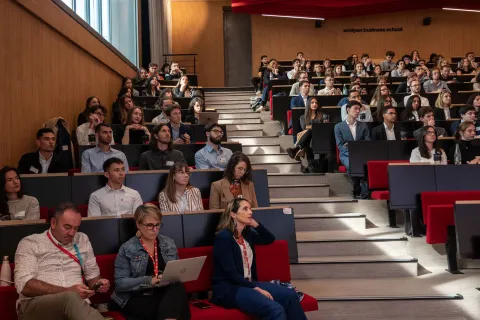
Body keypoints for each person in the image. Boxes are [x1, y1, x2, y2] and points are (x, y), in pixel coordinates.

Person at [211, 198, 307, 320]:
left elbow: (269, 239)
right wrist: (256, 289)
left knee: (290, 295)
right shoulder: (223, 237)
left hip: (248, 283)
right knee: (276, 310)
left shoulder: (246, 235)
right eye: (245, 209)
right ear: (233, 214)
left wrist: (255, 224)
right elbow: (231, 274)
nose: (250, 212)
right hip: (229, 288)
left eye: (250, 209)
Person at [14, 203, 110, 320]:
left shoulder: (82, 239)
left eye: (76, 228)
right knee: (70, 298)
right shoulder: (30, 243)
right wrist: (68, 291)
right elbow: (25, 285)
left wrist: (100, 283)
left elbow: (92, 278)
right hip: (36, 306)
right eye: (67, 227)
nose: (72, 233)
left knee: (72, 300)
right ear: (53, 223)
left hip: (77, 308)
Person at [111, 204, 191, 319]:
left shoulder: (168, 243)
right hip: (138, 296)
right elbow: (120, 283)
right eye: (150, 225)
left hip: (163, 291)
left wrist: (170, 277)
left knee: (177, 288)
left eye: (158, 225)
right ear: (138, 224)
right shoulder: (127, 248)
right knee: (174, 304)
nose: (155, 229)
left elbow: (177, 271)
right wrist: (150, 281)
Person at [286, 97, 325, 171]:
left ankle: (297, 149)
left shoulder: (322, 115)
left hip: (320, 136)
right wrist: (314, 126)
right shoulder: (303, 117)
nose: (314, 104)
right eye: (312, 102)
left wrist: (311, 126)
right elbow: (305, 127)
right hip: (310, 138)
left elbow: (321, 126)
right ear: (308, 104)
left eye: (316, 103)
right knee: (309, 138)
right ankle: (311, 166)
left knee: (309, 132)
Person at [335, 101, 371, 173]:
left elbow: (367, 143)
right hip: (346, 155)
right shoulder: (338, 126)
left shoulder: (363, 125)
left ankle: (363, 182)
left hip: (361, 153)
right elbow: (340, 146)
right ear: (348, 110)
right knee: (352, 165)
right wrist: (353, 150)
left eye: (359, 109)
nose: (358, 111)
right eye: (355, 109)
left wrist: (350, 145)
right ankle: (354, 183)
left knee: (367, 164)